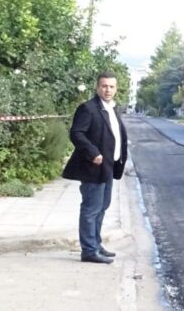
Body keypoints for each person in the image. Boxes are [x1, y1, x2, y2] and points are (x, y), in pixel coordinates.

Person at [62, 72, 128, 264]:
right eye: (104, 86)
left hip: (109, 166)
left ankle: (96, 245)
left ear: (116, 89)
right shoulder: (88, 108)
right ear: (97, 87)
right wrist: (93, 153)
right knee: (91, 209)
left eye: (111, 86)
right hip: (93, 167)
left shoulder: (113, 108)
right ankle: (89, 251)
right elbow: (76, 133)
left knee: (102, 207)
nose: (108, 90)